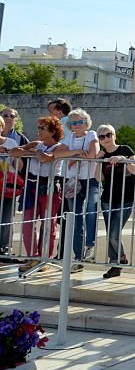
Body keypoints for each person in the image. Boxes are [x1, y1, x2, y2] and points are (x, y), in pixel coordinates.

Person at [11, 117, 66, 274]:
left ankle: (44, 258)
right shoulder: (36, 144)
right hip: (32, 186)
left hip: (50, 187)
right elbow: (14, 152)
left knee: (49, 224)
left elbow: (44, 158)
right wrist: (34, 151)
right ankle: (32, 257)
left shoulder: (60, 147)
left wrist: (32, 153)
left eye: (43, 128)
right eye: (39, 127)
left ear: (53, 131)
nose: (39, 130)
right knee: (28, 223)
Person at [53, 108, 101, 268]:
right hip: (73, 180)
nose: (78, 125)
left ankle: (89, 247)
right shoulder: (70, 138)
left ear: (86, 123)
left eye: (80, 122)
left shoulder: (91, 134)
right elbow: (58, 153)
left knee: (90, 212)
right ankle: (78, 255)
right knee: (76, 216)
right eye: (74, 123)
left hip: (90, 179)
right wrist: (77, 153)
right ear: (70, 126)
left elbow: (93, 153)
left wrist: (73, 156)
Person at [97, 125, 135, 279]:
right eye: (102, 137)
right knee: (110, 234)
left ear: (114, 135)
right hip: (107, 199)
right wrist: (97, 161)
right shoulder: (102, 155)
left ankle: (120, 258)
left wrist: (124, 159)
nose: (106, 139)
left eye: (108, 135)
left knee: (114, 234)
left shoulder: (125, 149)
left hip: (125, 198)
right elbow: (98, 179)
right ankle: (115, 263)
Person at [0, 108, 28, 259]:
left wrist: (15, 156)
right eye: (5, 115)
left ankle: (4, 247)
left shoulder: (17, 140)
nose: (9, 118)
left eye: (12, 116)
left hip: (8, 183)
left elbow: (22, 162)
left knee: (7, 216)